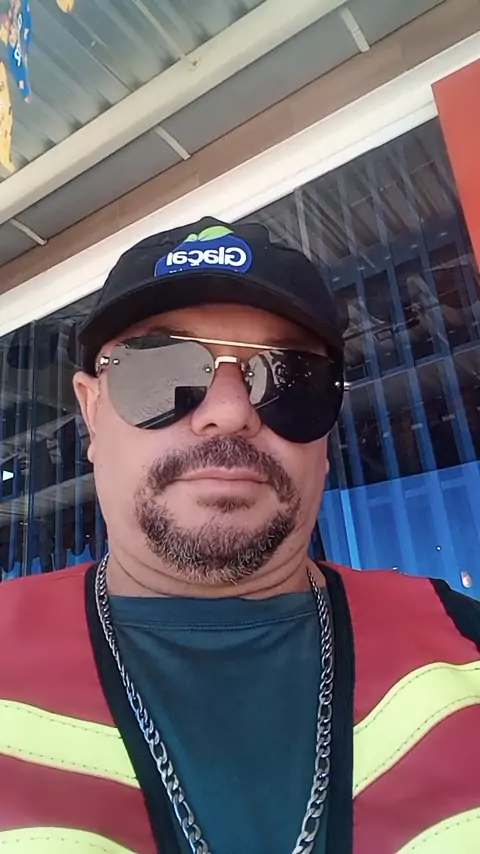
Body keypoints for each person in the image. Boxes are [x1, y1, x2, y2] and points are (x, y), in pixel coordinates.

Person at [0, 218, 479, 854]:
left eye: (290, 376)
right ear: (91, 411)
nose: (229, 412)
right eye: (160, 367)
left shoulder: (465, 648)